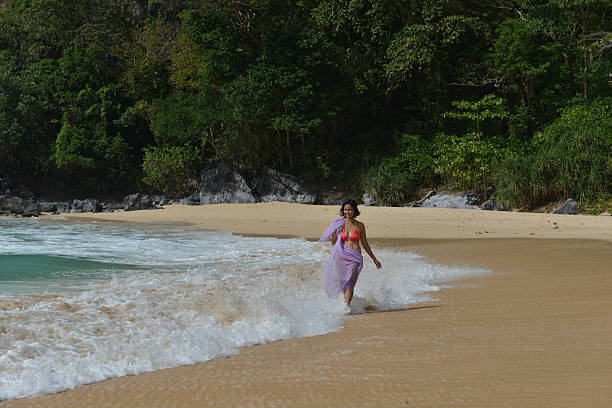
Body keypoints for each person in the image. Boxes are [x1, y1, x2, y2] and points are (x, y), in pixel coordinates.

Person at [319, 199, 382, 305]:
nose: (347, 212)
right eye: (345, 210)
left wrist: (374, 259)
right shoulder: (339, 224)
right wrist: (335, 233)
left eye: (350, 210)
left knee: (349, 283)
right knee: (342, 282)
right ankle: (345, 304)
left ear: (354, 211)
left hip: (355, 258)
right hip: (340, 257)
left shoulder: (360, 225)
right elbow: (334, 242)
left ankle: (346, 307)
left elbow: (365, 244)